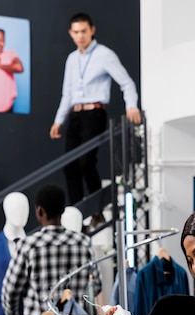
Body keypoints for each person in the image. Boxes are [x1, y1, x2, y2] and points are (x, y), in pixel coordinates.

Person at [49, 12, 141, 207]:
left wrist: (131, 105)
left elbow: (127, 83)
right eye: (76, 32)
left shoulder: (104, 55)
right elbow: (67, 93)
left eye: (83, 31)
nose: (80, 36)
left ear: (92, 30)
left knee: (86, 162)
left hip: (95, 113)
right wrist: (59, 120)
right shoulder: (72, 59)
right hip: (75, 114)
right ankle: (76, 212)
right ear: (70, 34)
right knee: (70, 166)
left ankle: (97, 208)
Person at [1, 184, 102, 315]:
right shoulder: (83, 242)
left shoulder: (28, 245)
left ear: (40, 211)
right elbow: (97, 285)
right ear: (62, 210)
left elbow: (10, 291)